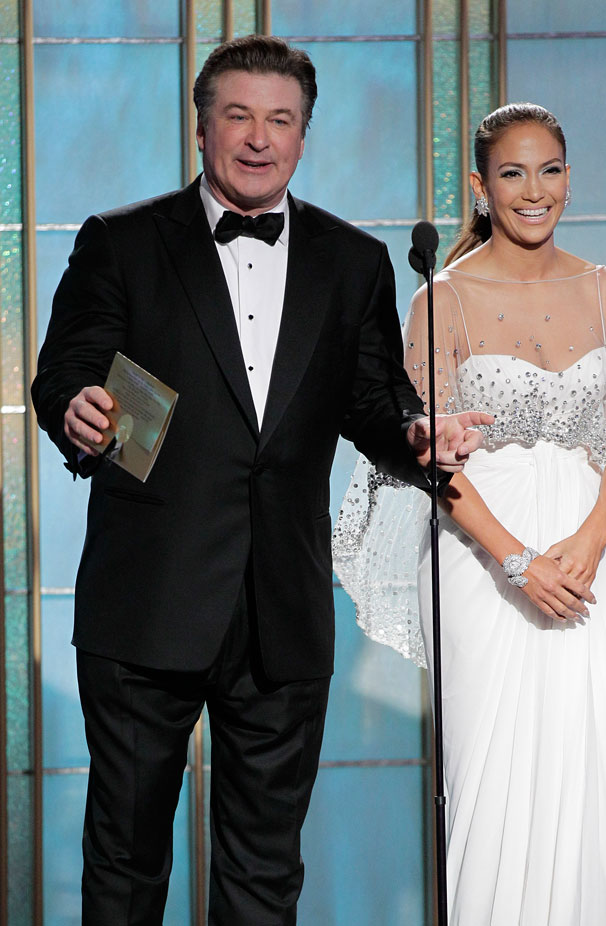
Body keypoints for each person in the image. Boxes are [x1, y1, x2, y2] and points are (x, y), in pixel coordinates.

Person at [31, 35, 490, 926]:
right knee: (124, 863)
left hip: (280, 609)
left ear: (304, 135)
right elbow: (66, 373)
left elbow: (374, 402)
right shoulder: (122, 243)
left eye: (280, 119)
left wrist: (418, 438)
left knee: (265, 873)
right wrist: (78, 408)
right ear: (201, 128)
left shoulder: (351, 261)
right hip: (146, 601)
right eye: (237, 115)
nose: (257, 137)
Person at [333, 102, 606, 925]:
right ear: (481, 188)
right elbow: (420, 452)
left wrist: (588, 546)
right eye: (513, 174)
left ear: (568, 178)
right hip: (478, 554)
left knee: (586, 763)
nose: (534, 191)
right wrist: (518, 559)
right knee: (493, 774)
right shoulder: (439, 300)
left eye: (550, 170)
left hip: (584, 554)